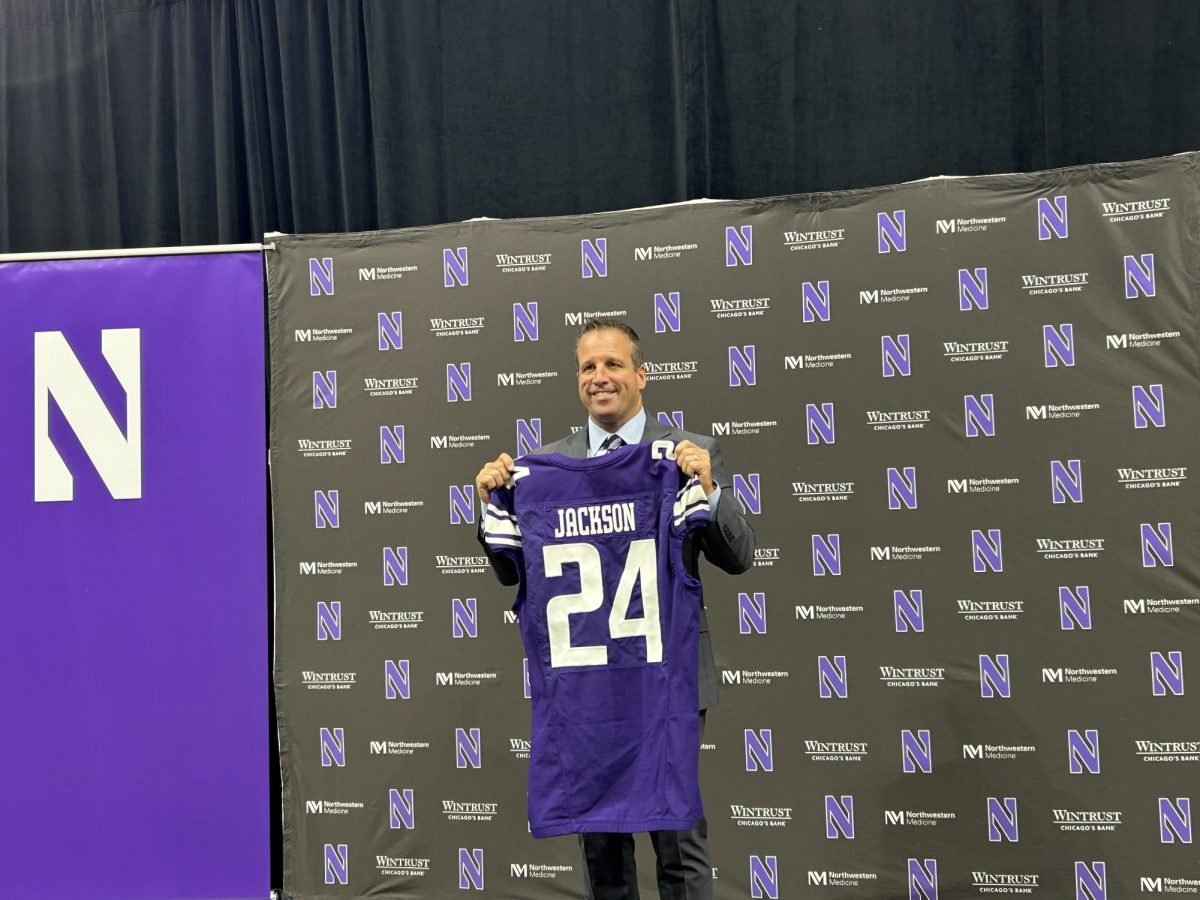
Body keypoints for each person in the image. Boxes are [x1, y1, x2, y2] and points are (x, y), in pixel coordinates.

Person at [474, 319, 755, 900]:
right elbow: (511, 572)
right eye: (587, 367)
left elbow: (738, 556)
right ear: (577, 379)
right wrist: (491, 505)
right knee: (601, 846)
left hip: (665, 677)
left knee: (678, 841)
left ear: (640, 374)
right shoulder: (542, 467)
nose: (600, 378)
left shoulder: (686, 452)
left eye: (613, 364)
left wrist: (708, 487)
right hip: (587, 685)